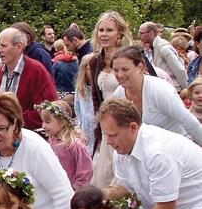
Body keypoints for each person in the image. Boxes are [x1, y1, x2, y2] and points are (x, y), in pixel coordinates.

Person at [111, 45, 202, 145]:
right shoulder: (118, 94)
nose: (119, 75)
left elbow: (188, 121)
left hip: (177, 148)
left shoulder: (159, 89)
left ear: (140, 67)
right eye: (116, 70)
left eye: (125, 69)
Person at [88, 11, 134, 188]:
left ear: (119, 33)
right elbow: (95, 97)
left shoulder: (132, 56)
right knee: (103, 173)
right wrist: (99, 125)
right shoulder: (95, 61)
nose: (104, 34)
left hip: (127, 120)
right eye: (101, 30)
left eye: (109, 30)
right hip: (106, 123)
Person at [0, 28, 58, 130]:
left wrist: (14, 120)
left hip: (29, 138)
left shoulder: (37, 71)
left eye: (3, 45)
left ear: (19, 47)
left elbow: (49, 110)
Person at [37, 100, 93, 190]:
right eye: (43, 122)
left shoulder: (75, 145)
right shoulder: (50, 142)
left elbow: (86, 171)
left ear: (62, 122)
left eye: (47, 122)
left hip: (72, 192)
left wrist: (76, 189)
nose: (43, 126)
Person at [138, 22, 188, 92]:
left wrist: (187, 89)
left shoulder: (164, 48)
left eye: (141, 33)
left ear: (151, 33)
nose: (139, 36)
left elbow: (179, 70)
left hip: (175, 90)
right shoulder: (154, 48)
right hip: (165, 89)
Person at [74, 54, 97, 154]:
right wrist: (79, 128)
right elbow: (77, 110)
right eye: (89, 69)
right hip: (85, 133)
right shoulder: (80, 89)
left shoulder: (101, 90)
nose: (92, 72)